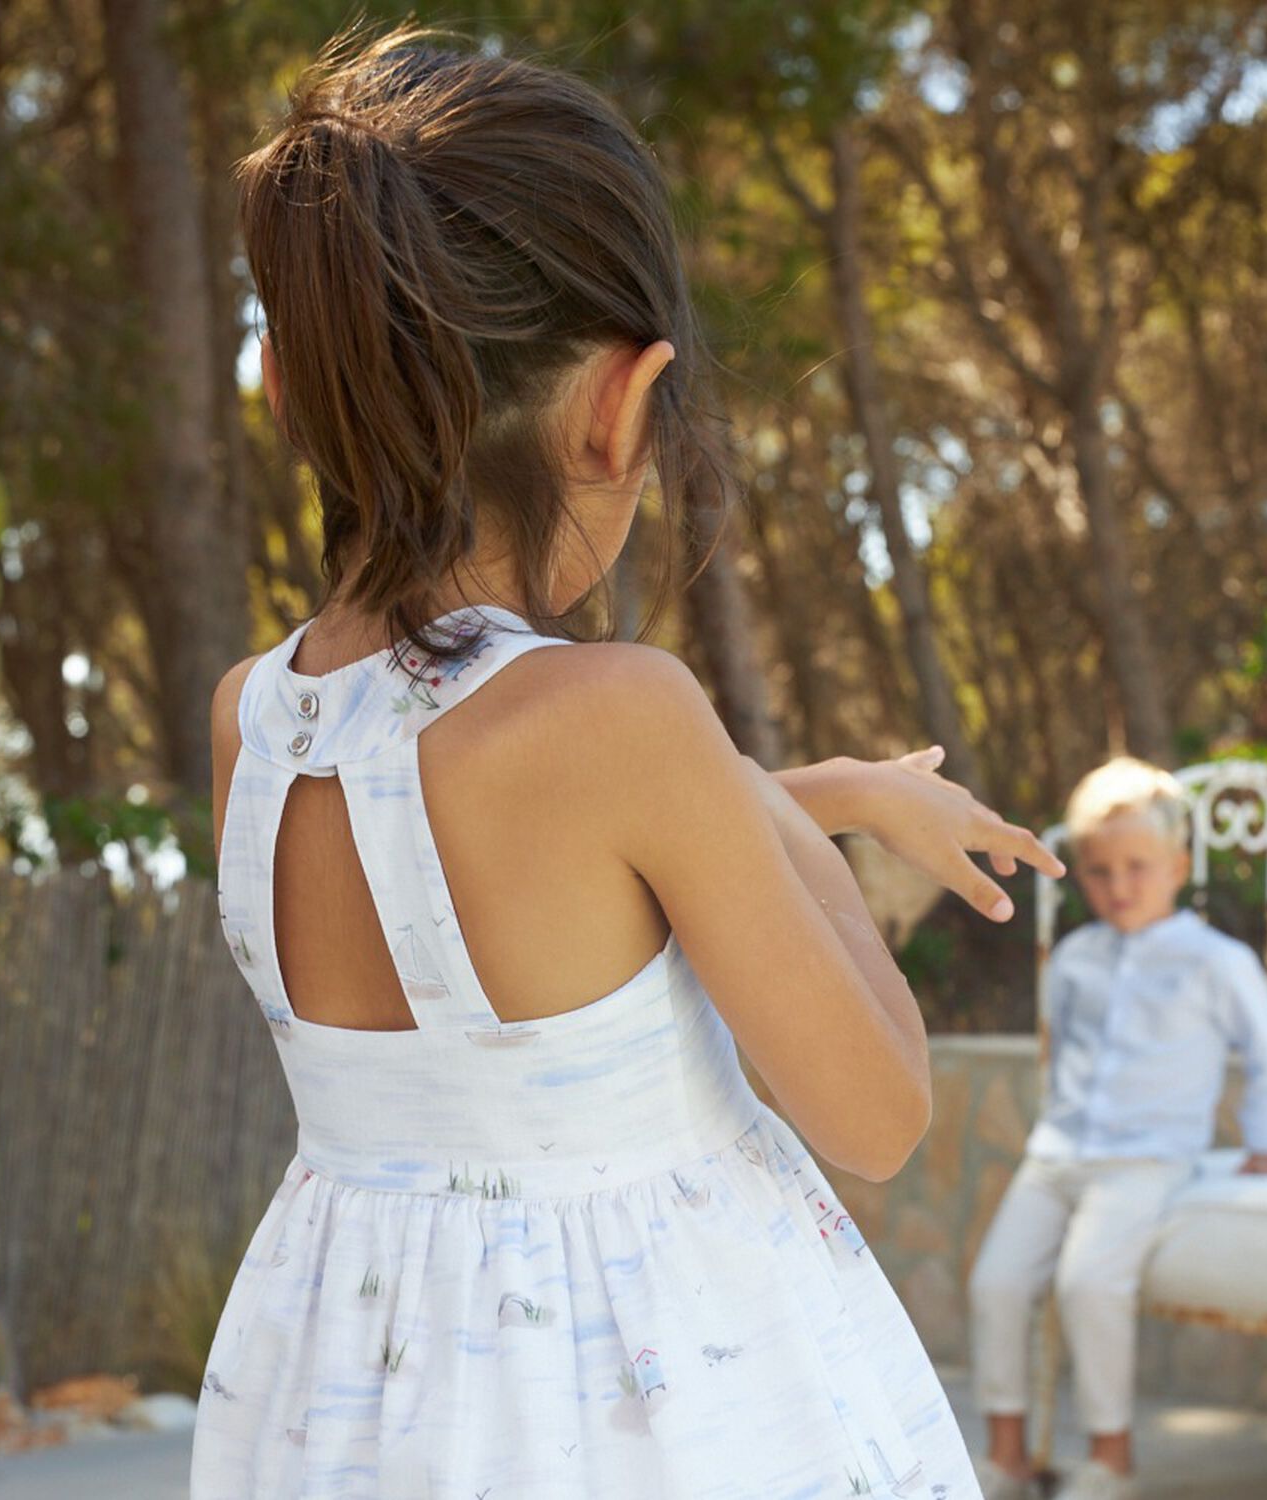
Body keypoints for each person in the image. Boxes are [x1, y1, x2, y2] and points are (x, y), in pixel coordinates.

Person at [190, 19, 1067, 1498]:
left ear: (290, 390)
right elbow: (879, 1115)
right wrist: (825, 840)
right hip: (637, 1402)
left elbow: (516, 871)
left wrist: (835, 792)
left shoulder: (254, 718)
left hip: (351, 1398)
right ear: (622, 403)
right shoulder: (624, 715)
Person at [968, 756, 1267, 1500]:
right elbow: (1064, 1050)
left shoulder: (1217, 962)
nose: (1119, 886)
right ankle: (1008, 1459)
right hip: (1058, 1153)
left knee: (1089, 1283)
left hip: (1146, 1160)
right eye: (1099, 871)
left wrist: (1266, 1141)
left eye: (1138, 867)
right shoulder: (1072, 959)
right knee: (996, 1282)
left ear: (1178, 865)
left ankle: (1112, 1460)